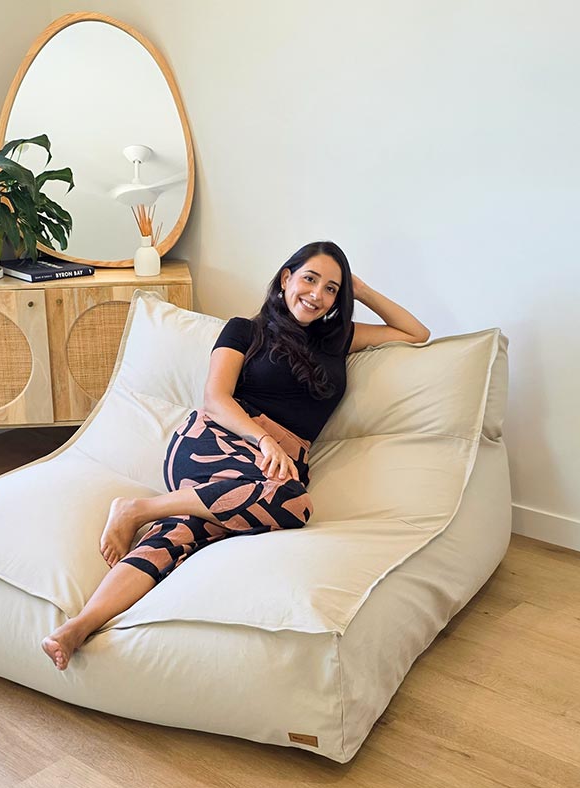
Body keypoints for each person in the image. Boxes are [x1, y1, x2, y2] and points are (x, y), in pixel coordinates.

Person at [42, 241, 430, 670]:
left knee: (184, 532)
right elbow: (215, 398)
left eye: (332, 289)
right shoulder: (244, 330)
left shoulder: (339, 339)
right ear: (286, 278)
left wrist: (363, 291)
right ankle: (137, 510)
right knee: (293, 502)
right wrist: (263, 440)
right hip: (216, 439)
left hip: (271, 467)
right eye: (310, 279)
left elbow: (416, 333)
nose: (317, 295)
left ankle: (81, 624)